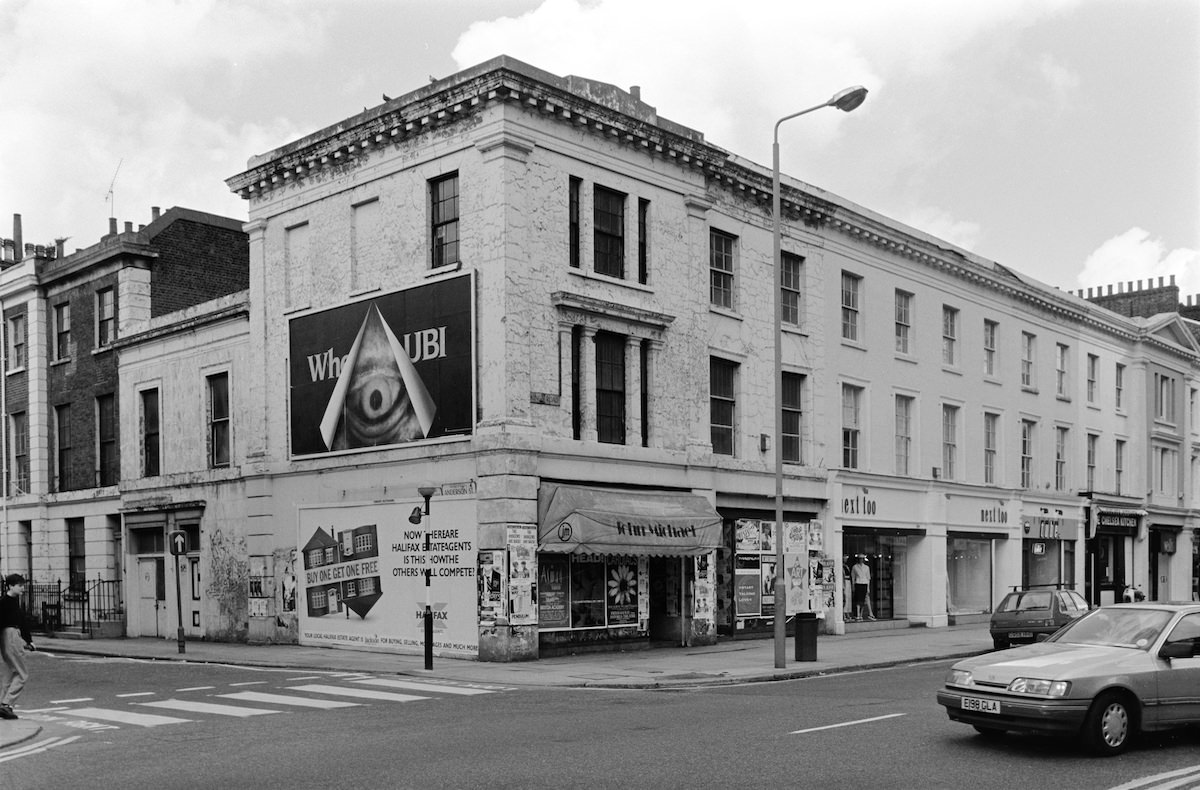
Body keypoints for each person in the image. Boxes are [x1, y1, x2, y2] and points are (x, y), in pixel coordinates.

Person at [1, 573, 35, 720]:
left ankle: (3, 704)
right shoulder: (4, 603)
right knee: (22, 673)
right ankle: (7, 704)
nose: (23, 588)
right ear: (10, 586)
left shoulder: (12, 601)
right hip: (11, 635)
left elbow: (22, 621)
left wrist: (28, 640)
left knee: (9, 672)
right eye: (20, 585)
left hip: (10, 636)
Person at [851, 556, 875, 621]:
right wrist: (853, 586)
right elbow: (853, 577)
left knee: (865, 599)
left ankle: (865, 614)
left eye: (862, 559)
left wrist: (868, 588)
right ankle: (858, 615)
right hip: (858, 583)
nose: (861, 560)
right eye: (860, 559)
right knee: (859, 599)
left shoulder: (867, 567)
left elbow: (868, 578)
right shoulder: (855, 567)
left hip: (865, 583)